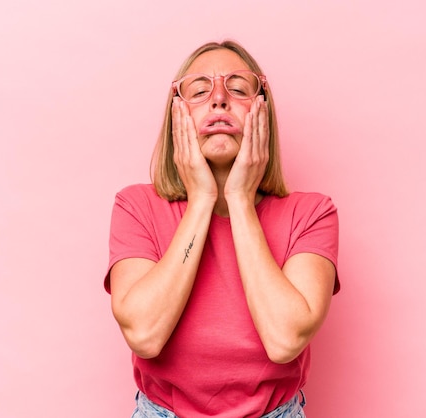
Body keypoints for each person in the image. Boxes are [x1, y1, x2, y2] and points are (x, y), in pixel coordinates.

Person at [104, 40, 340, 418]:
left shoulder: (312, 213)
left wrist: (240, 200)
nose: (218, 99)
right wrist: (201, 201)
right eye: (199, 90)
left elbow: (284, 341)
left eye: (238, 88)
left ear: (263, 112)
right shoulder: (136, 206)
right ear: (176, 117)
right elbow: (145, 336)